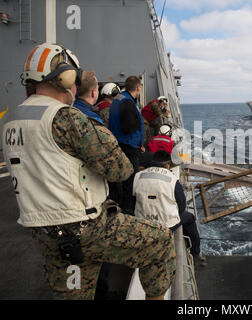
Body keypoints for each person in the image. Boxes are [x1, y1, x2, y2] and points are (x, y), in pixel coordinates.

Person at [2, 43, 175, 299]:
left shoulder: (12, 121)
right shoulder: (66, 118)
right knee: (160, 242)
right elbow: (120, 168)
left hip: (47, 235)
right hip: (85, 228)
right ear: (66, 77)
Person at [133, 150, 206, 267]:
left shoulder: (137, 176)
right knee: (190, 218)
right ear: (167, 164)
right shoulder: (172, 179)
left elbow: (131, 200)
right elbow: (181, 206)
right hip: (166, 225)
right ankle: (195, 254)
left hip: (142, 222)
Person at [108, 76, 146, 215]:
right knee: (130, 182)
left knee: (125, 181)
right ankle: (128, 212)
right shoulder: (128, 103)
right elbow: (129, 127)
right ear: (138, 87)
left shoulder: (120, 99)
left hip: (122, 144)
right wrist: (139, 142)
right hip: (128, 147)